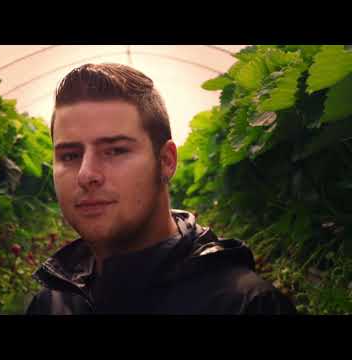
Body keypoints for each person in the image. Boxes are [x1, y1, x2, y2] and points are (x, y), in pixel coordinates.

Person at [26, 63, 296, 314]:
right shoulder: (51, 304)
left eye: (115, 151)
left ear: (166, 161)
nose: (86, 175)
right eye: (70, 156)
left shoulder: (246, 306)